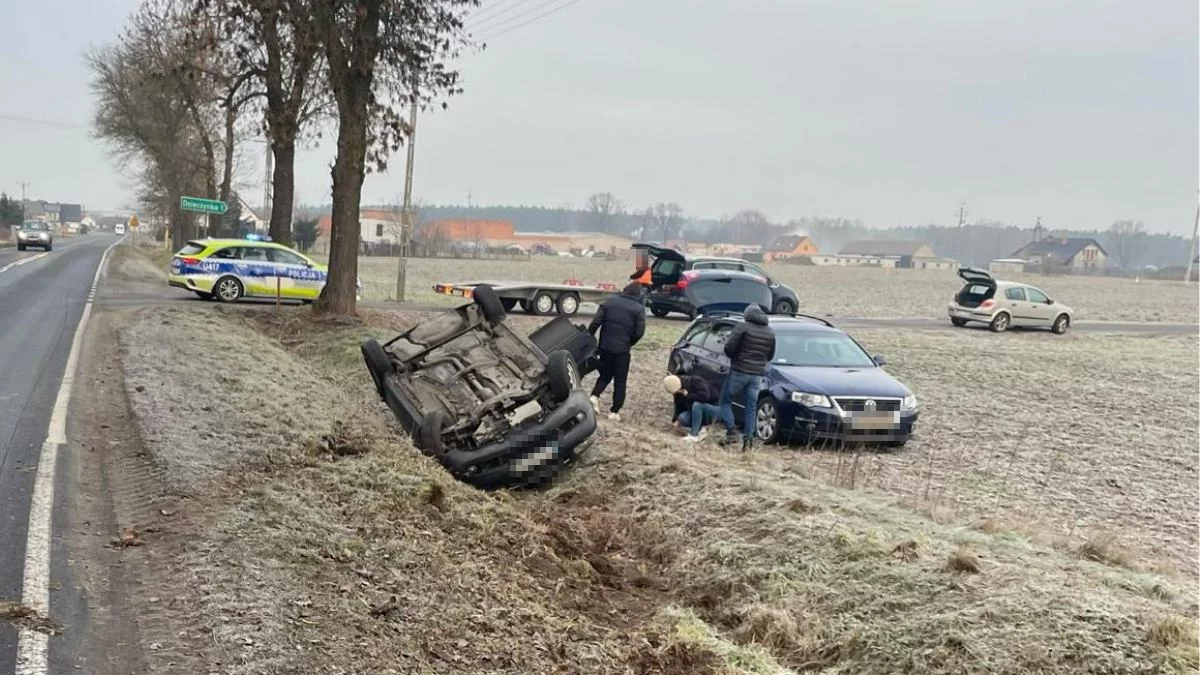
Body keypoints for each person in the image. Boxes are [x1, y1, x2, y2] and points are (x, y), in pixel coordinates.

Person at [718, 304, 776, 450]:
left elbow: (729, 348)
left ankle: (731, 431)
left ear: (748, 315)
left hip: (739, 371)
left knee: (725, 400)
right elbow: (770, 355)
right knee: (750, 407)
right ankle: (748, 440)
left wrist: (735, 357)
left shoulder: (742, 327)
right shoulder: (770, 331)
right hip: (757, 375)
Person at [587, 282, 646, 421]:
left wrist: (590, 337)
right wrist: (629, 343)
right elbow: (639, 332)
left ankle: (594, 396)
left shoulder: (609, 302)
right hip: (622, 350)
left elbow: (596, 322)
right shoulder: (638, 309)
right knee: (620, 380)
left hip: (605, 347)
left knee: (605, 374)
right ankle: (614, 411)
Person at [663, 374, 720, 442]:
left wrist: (688, 395)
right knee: (682, 418)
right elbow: (679, 407)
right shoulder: (678, 392)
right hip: (697, 412)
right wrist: (675, 421)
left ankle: (694, 435)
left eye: (676, 392)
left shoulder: (696, 381)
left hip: (713, 410)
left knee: (697, 405)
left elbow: (704, 397)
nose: (675, 394)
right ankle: (701, 429)